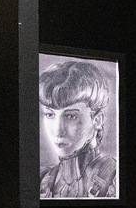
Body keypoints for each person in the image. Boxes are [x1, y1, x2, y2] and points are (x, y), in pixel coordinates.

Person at [39, 61, 117, 198]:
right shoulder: (41, 178)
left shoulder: (114, 177)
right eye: (50, 115)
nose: (58, 131)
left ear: (97, 120)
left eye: (70, 116)